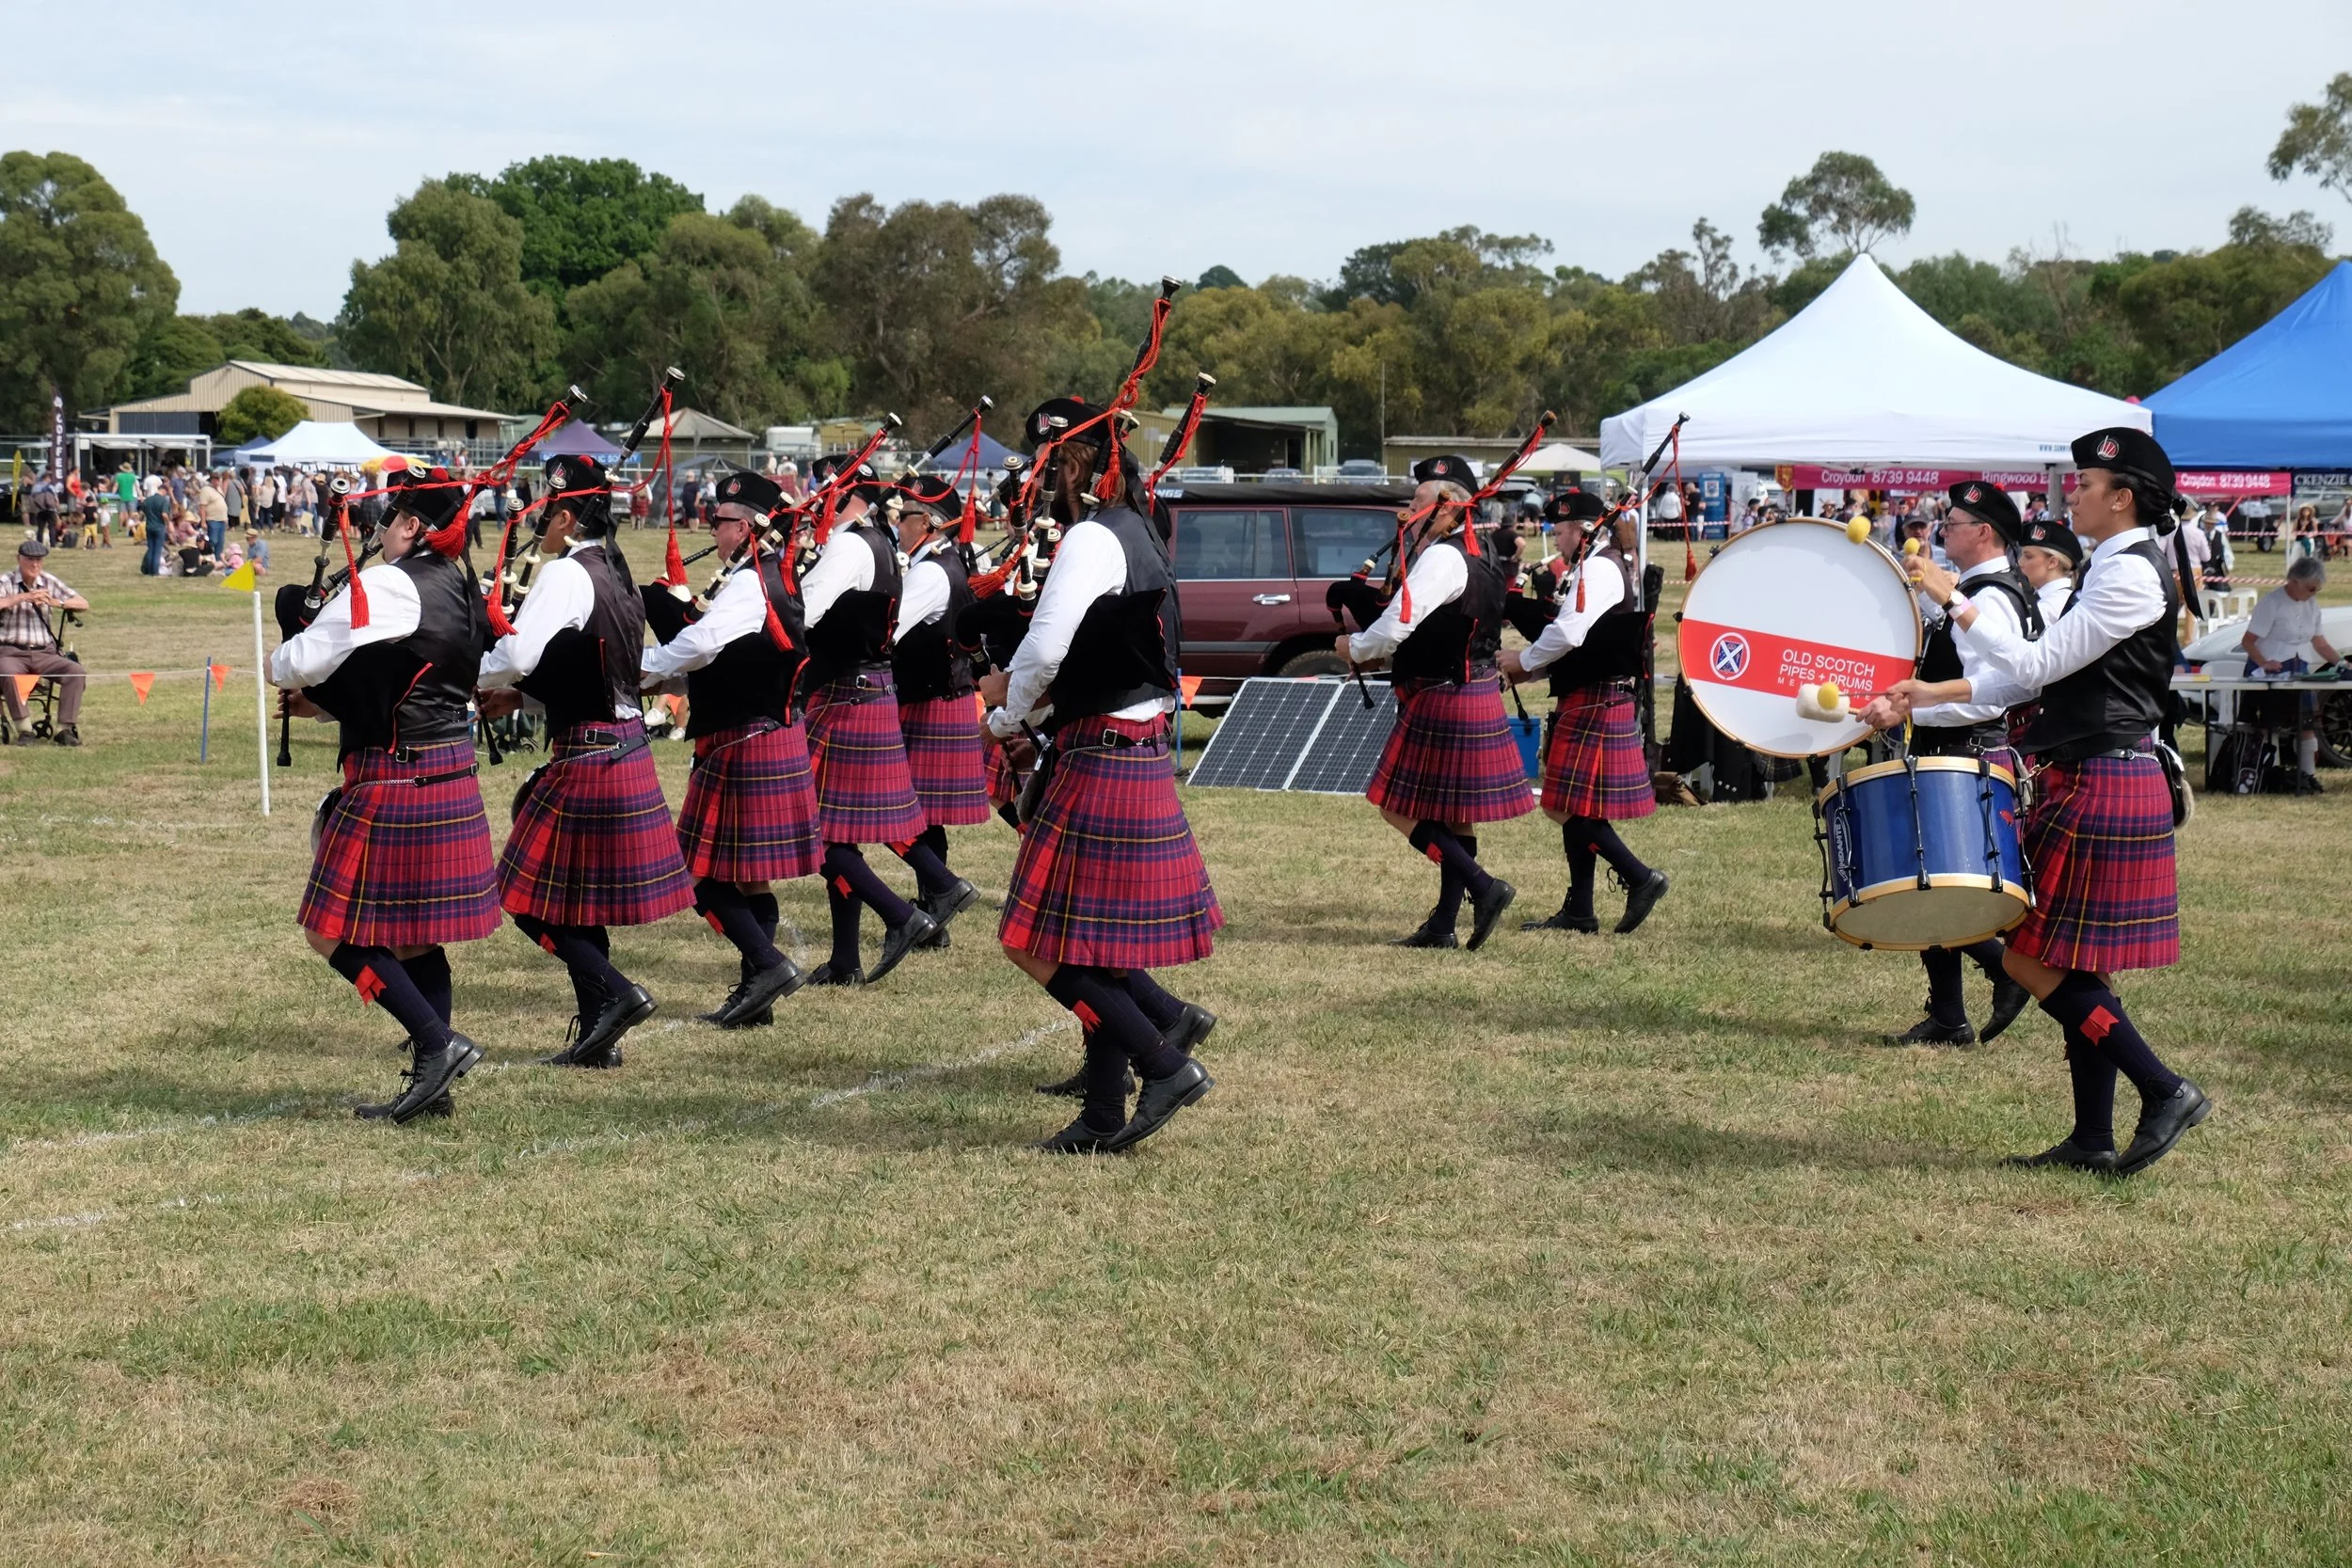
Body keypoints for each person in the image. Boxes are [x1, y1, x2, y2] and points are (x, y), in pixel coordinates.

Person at [1888, 427, 2210, 1177]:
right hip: (2091, 771)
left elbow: (2033, 663)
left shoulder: (2130, 576)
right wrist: (1923, 697)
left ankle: (2165, 1087)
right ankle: (2092, 1136)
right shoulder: (2109, 567)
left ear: (2122, 497)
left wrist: (1956, 604)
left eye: (2086, 484)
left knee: (2031, 961)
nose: (2072, 495)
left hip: (2105, 774)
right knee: (2079, 962)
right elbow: (2030, 680)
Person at [980, 396, 1220, 1154]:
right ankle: (1106, 1111)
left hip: (1104, 749)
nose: (1039, 479)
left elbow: (1046, 651)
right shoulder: (1141, 528)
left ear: (1073, 463)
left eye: (1047, 464)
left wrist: (1005, 713)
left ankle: (1165, 1061)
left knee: (1032, 941)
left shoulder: (1090, 536)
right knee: (1098, 945)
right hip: (1136, 743)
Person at [268, 466, 502, 1124]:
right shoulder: (458, 584)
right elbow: (405, 673)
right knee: (415, 936)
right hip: (446, 767)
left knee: (328, 931)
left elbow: (305, 661)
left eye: (390, 515)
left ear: (409, 524)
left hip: (399, 775)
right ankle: (436, 1083)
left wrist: (278, 662)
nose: (380, 529)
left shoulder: (392, 581)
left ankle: (437, 1044)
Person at [477, 454, 695, 1066]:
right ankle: (599, 1034)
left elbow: (520, 651)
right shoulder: (617, 572)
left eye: (549, 513)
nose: (542, 523)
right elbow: (597, 664)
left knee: (520, 896)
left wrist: (470, 672)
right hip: (620, 748)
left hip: (590, 757)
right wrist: (524, 697)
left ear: (567, 516)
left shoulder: (568, 574)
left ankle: (618, 995)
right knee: (578, 903)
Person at [1856, 483, 2042, 1047]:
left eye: (1953, 522)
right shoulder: (1968, 589)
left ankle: (2004, 971)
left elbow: (1995, 694)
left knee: (1940, 885)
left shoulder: (1993, 598)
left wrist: (1909, 709)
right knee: (1926, 879)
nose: (1942, 530)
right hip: (1952, 748)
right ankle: (1948, 1016)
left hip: (1967, 749)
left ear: (1983, 531)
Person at [638, 468, 821, 1027]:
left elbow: (701, 643)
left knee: (694, 878)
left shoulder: (751, 583)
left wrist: (637, 668)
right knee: (749, 878)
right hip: (763, 737)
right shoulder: (762, 576)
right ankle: (756, 997)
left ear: (744, 528)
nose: (710, 528)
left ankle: (765, 965)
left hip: (747, 743)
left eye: (719, 521)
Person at [1338, 454, 1531, 948]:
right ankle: (1444, 925)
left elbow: (1400, 621)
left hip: (1444, 694)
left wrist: (1355, 649)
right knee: (1454, 814)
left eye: (1418, 501)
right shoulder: (1483, 552)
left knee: (1394, 807)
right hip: (1474, 688)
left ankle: (1484, 887)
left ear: (1448, 508)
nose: (1409, 511)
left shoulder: (1444, 558)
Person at [795, 459, 941, 984]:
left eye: (822, 487)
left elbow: (802, 613)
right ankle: (844, 960)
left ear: (841, 493)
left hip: (845, 692)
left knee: (810, 829)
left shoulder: (851, 545)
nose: (814, 496)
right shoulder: (879, 541)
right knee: (840, 835)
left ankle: (901, 916)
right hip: (863, 690)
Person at [1501, 489, 1670, 936]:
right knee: (1575, 807)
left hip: (1598, 697)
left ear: (1581, 530)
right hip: (1592, 692)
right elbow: (1582, 638)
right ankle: (1580, 912)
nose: (1556, 542)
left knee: (1563, 806)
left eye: (1559, 532)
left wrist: (1525, 661)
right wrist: (1532, 671)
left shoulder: (1597, 567)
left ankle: (1639, 877)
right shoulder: (1600, 564)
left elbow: (1571, 632)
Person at [888, 474, 988, 942]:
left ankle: (938, 901)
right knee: (925, 816)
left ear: (925, 522)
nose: (897, 524)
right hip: (938, 697)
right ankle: (934, 914)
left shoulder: (930, 573)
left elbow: (885, 633)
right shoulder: (939, 563)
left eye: (902, 516)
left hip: (931, 700)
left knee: (901, 812)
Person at [2241, 557, 2341, 792]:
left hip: (2300, 669)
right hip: (2270, 670)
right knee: (2268, 725)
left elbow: (2319, 641)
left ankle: (2308, 777)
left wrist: (2341, 663)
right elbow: (2248, 641)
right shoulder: (2271, 603)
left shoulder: (2312, 605)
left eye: (2317, 589)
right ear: (2294, 582)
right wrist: (2265, 662)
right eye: (2311, 588)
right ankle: (2266, 775)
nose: (2314, 593)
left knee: (2307, 724)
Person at [0, 539, 88, 745]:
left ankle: (65, 729)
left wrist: (55, 602)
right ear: (19, 559)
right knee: (8, 673)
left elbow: (83, 603)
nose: (35, 565)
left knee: (76, 671)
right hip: (11, 651)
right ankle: (25, 730)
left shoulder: (49, 581)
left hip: (45, 653)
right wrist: (23, 598)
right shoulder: (6, 581)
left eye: (39, 560)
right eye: (30, 560)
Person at [2016, 514, 2082, 623]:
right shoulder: (2042, 597)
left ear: (2052, 562)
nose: (2020, 562)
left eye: (2028, 556)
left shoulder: (2056, 603)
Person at [138, 482, 171, 576]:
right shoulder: (163, 501)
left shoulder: (148, 500)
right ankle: (155, 572)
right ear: (164, 491)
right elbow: (164, 514)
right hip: (159, 527)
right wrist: (168, 523)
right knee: (157, 550)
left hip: (149, 526)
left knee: (150, 549)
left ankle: (149, 570)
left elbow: (143, 512)